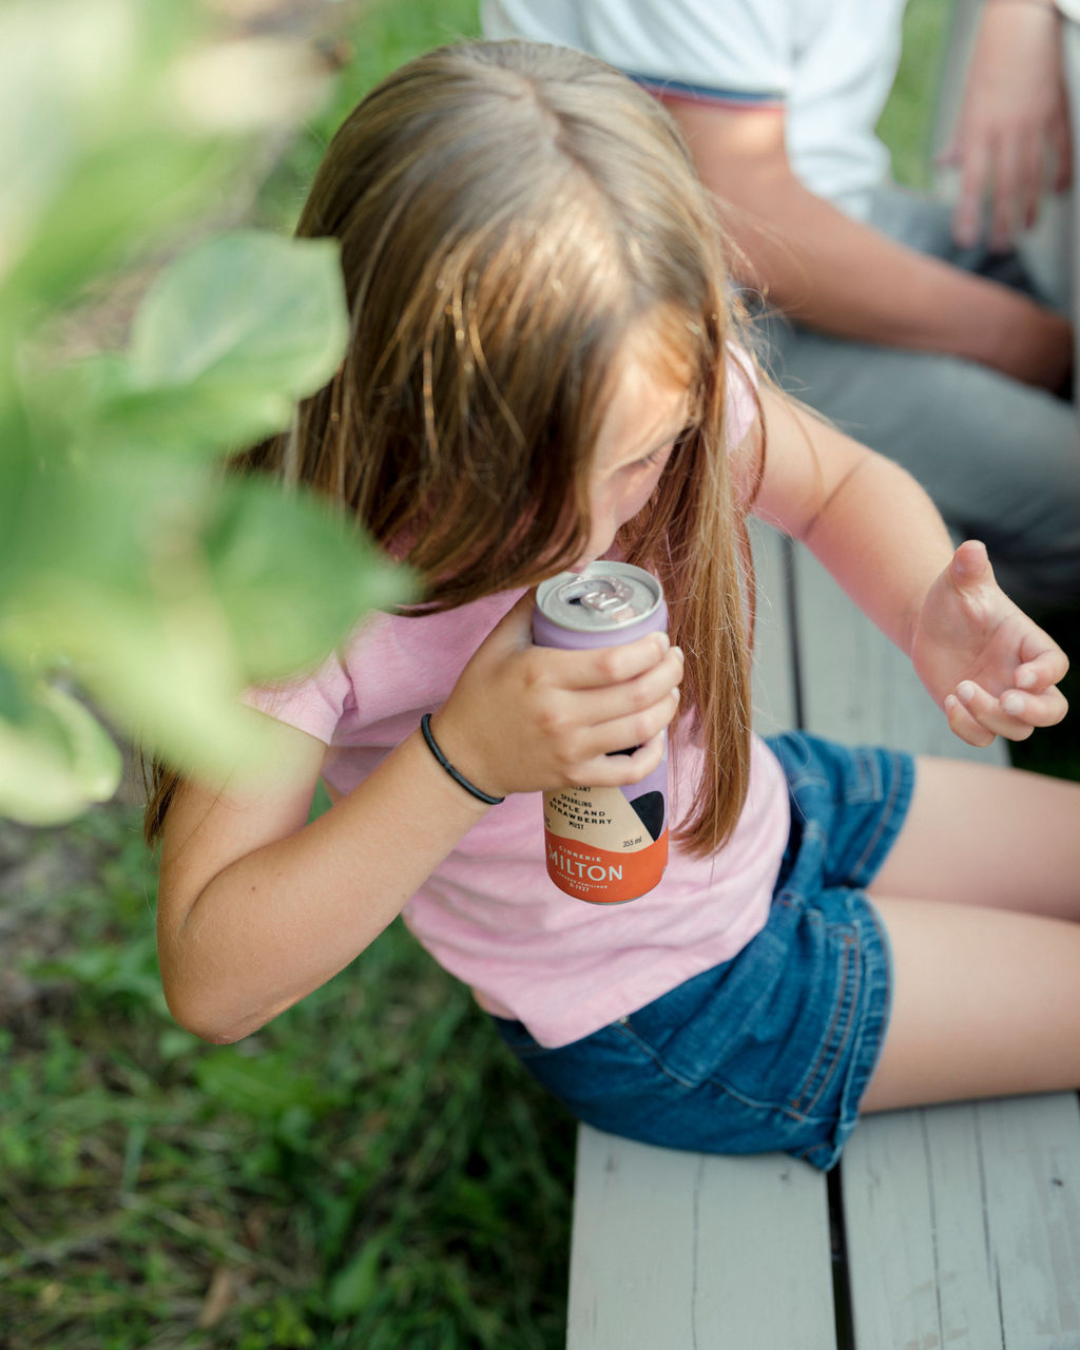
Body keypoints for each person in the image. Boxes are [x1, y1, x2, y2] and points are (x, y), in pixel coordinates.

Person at [150, 41, 1080, 1174]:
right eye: (523, 490)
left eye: (640, 462)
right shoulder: (297, 579)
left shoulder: (645, 368)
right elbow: (211, 974)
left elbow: (837, 484)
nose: (590, 537)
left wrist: (927, 603)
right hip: (675, 1009)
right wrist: (467, 757)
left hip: (766, 809)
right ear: (395, 400)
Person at [482, 0, 1080, 608]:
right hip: (709, 296)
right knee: (1068, 492)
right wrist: (1041, 348)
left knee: (1045, 281)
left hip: (832, 214)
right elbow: (742, 225)